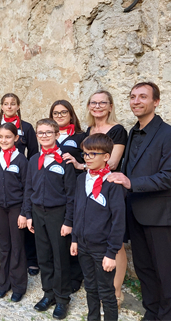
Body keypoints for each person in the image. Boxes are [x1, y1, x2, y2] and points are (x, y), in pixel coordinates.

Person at [108, 82, 171, 321]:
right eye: (132, 97)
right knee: (144, 269)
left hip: (158, 214)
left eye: (143, 97)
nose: (136, 101)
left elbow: (169, 176)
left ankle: (166, 317)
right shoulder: (132, 132)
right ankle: (151, 312)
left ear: (156, 102)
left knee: (165, 272)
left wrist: (131, 183)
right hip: (134, 213)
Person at [24, 119, 75, 320]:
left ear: (56, 134)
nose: (44, 136)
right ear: (36, 136)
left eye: (48, 132)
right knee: (43, 255)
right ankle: (48, 293)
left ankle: (62, 298)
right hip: (37, 212)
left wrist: (69, 221)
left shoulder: (65, 160)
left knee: (60, 256)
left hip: (58, 214)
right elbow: (28, 189)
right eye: (40, 133)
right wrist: (28, 215)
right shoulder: (34, 159)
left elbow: (71, 194)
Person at [71, 134, 126, 321]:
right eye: (85, 154)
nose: (87, 158)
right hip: (83, 246)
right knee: (90, 288)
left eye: (93, 154)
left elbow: (118, 220)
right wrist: (75, 239)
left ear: (106, 157)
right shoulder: (81, 180)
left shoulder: (112, 183)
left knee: (106, 292)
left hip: (103, 249)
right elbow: (77, 210)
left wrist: (111, 253)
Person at [83, 90, 128, 306]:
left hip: (108, 187)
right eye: (94, 102)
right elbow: (91, 160)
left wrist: (81, 165)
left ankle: (115, 291)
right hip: (91, 188)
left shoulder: (118, 130)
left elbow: (111, 163)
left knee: (114, 241)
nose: (98, 106)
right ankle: (100, 288)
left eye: (103, 103)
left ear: (110, 106)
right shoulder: (89, 130)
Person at [0, 93, 38, 276]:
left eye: (12, 104)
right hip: (0, 171)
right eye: (6, 104)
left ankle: (30, 259)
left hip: (19, 173)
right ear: (1, 106)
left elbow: (33, 153)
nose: (9, 107)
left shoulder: (27, 128)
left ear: (18, 106)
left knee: (21, 224)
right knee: (2, 225)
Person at [0, 122, 28, 302]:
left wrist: (25, 213)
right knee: (4, 246)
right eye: (0, 137)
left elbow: (27, 189)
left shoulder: (21, 160)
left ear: (16, 138)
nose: (4, 140)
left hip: (16, 208)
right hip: (0, 208)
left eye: (8, 137)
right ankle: (4, 283)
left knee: (17, 245)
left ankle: (19, 285)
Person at [49, 99, 86, 292]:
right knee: (58, 232)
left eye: (64, 112)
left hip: (74, 187)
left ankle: (74, 275)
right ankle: (57, 270)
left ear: (71, 114)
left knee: (72, 229)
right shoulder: (49, 135)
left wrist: (79, 163)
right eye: (56, 113)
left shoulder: (81, 136)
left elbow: (90, 159)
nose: (60, 116)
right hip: (54, 190)